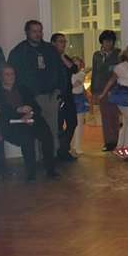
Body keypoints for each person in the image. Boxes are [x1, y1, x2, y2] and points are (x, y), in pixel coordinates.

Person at [0, 64, 59, 182]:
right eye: (7, 74)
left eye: (12, 74)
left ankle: (50, 169)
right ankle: (31, 174)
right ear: (1, 77)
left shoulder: (22, 89)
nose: (10, 77)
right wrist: (18, 111)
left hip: (29, 118)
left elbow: (36, 107)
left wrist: (31, 113)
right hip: (12, 124)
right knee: (26, 138)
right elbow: (2, 112)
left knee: (46, 133)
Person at [7, 20, 61, 153]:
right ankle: (36, 158)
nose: (38, 34)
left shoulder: (50, 50)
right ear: (27, 32)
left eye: (40, 31)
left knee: (52, 129)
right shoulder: (19, 51)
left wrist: (59, 89)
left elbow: (60, 71)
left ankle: (51, 160)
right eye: (34, 31)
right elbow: (13, 76)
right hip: (30, 97)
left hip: (50, 96)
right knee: (33, 129)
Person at [97, 44, 128, 160]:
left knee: (127, 122)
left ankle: (118, 147)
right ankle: (126, 146)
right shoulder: (121, 67)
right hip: (122, 95)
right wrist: (103, 94)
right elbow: (111, 81)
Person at [91, 30, 121, 151]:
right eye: (105, 41)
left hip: (114, 88)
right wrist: (93, 90)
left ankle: (116, 140)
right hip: (100, 88)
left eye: (110, 41)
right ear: (102, 41)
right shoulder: (97, 55)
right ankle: (108, 141)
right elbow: (95, 72)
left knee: (114, 115)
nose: (108, 43)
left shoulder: (118, 54)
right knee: (105, 115)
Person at [50, 33, 79, 162]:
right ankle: (59, 152)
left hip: (68, 94)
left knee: (73, 122)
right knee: (58, 125)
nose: (64, 44)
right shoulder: (49, 57)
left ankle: (64, 148)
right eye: (61, 41)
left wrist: (61, 56)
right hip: (57, 96)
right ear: (53, 43)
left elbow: (74, 69)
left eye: (64, 41)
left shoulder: (64, 57)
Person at [70, 57, 88, 155]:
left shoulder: (82, 74)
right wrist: (73, 86)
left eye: (79, 64)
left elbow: (82, 87)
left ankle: (77, 146)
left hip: (80, 98)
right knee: (71, 123)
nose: (77, 66)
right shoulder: (69, 74)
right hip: (71, 98)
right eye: (75, 64)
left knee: (80, 123)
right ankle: (68, 144)